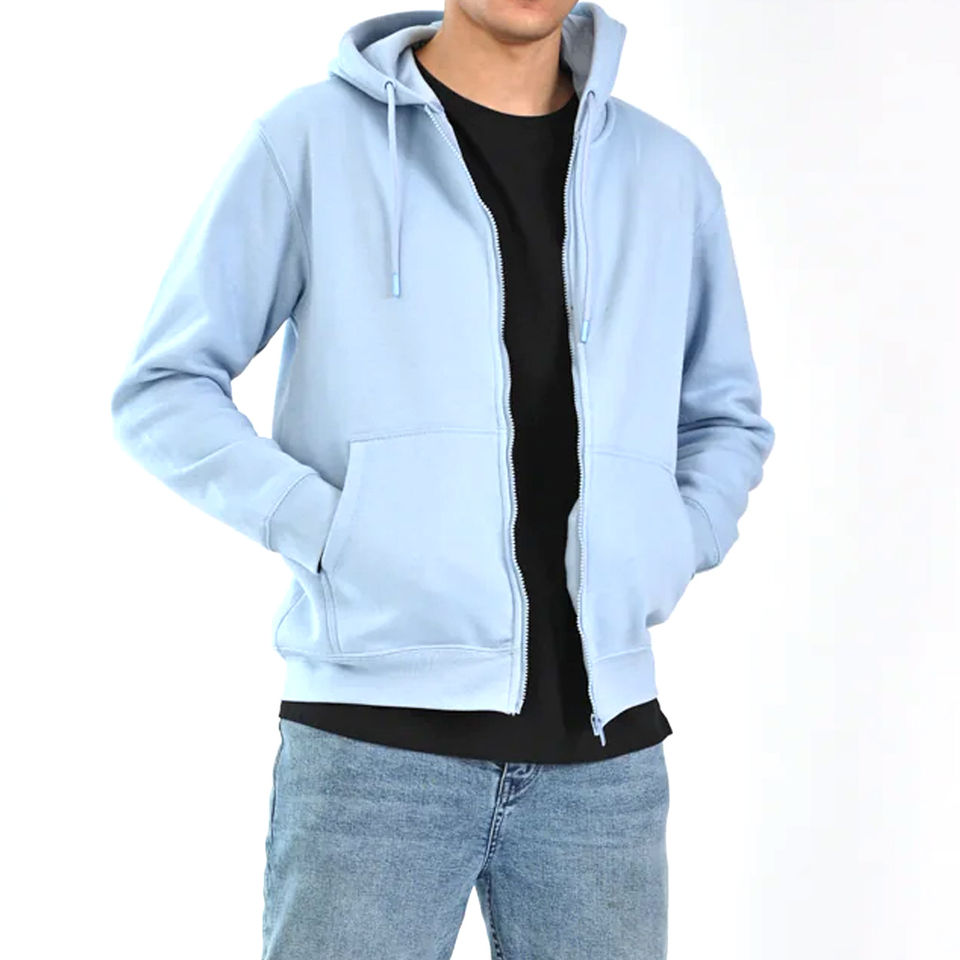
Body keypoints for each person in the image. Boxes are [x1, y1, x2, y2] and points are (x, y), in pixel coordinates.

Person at [110, 2, 775, 957]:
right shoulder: (311, 140)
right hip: (373, 751)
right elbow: (166, 386)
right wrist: (330, 531)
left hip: (606, 755)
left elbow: (725, 417)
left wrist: (675, 541)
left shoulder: (667, 174)